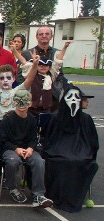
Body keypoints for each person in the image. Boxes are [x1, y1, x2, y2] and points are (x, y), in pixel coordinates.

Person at [42, 85, 99, 213]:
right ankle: (55, 194)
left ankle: (74, 196)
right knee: (62, 162)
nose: (73, 100)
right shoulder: (55, 118)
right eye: (70, 97)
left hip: (82, 151)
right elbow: (47, 139)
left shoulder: (86, 119)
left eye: (76, 97)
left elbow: (93, 141)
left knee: (77, 162)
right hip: (57, 150)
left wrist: (87, 151)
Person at [0, 89, 53, 207]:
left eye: (25, 101)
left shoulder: (32, 120)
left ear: (30, 104)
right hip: (10, 149)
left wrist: (30, 148)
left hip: (27, 149)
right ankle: (12, 187)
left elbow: (34, 138)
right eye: (18, 101)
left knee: (39, 161)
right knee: (13, 161)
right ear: (14, 102)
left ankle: (38, 194)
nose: (22, 105)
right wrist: (16, 149)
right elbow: (4, 140)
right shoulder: (7, 120)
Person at [0, 43, 39, 143]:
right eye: (2, 78)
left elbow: (30, 78)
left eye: (8, 78)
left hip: (12, 125)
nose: (5, 80)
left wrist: (35, 65)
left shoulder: (18, 91)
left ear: (13, 79)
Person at [12, 41, 71, 115]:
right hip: (31, 108)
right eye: (41, 65)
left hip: (47, 108)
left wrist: (65, 47)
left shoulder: (51, 74)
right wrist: (14, 51)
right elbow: (23, 61)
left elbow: (58, 61)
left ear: (49, 67)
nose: (43, 67)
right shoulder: (31, 73)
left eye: (46, 66)